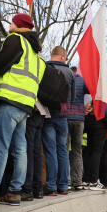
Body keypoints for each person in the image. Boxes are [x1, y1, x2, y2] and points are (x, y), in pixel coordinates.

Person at [0, 13, 45, 206]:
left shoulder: (15, 39)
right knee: (20, 149)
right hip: (26, 105)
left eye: (12, 22)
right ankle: (14, 192)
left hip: (10, 100)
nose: (9, 24)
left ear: (18, 25)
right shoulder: (36, 52)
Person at [42, 46, 75, 196]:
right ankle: (63, 186)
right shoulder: (70, 73)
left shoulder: (44, 68)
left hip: (48, 113)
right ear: (62, 56)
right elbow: (72, 98)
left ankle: (51, 186)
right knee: (63, 150)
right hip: (63, 114)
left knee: (50, 151)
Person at [66, 67, 88, 190]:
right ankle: (78, 181)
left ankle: (66, 181)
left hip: (66, 117)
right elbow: (93, 92)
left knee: (64, 150)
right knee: (77, 151)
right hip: (79, 119)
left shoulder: (65, 78)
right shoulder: (82, 80)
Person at [23, 101, 50, 200]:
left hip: (32, 111)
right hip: (42, 111)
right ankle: (38, 189)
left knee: (29, 151)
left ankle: (27, 189)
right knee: (37, 152)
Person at [83, 101, 107, 190]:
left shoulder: (91, 98)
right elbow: (106, 115)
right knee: (97, 152)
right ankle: (94, 182)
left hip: (89, 124)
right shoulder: (101, 98)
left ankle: (86, 180)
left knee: (89, 152)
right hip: (100, 126)